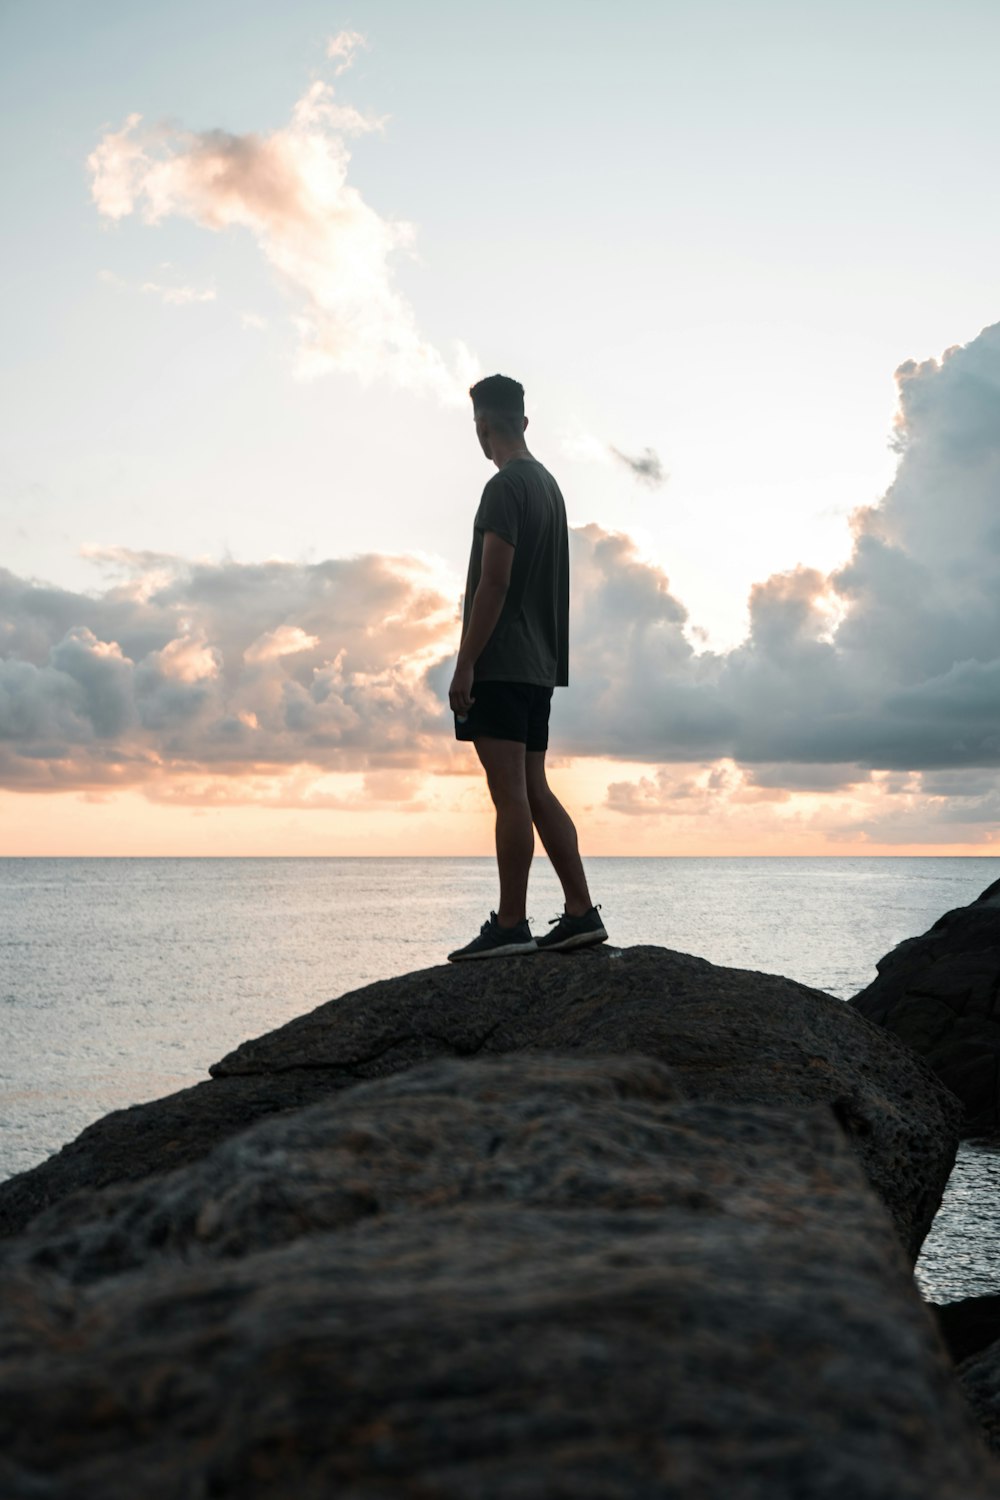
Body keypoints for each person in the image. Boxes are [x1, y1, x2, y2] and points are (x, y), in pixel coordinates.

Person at [447, 374, 607, 961]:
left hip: (502, 663)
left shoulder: (504, 488)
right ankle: (581, 912)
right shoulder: (549, 487)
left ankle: (511, 924)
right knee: (535, 788)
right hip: (540, 666)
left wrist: (465, 664)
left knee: (509, 794)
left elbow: (495, 580)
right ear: (525, 422)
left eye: (478, 429)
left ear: (484, 427)